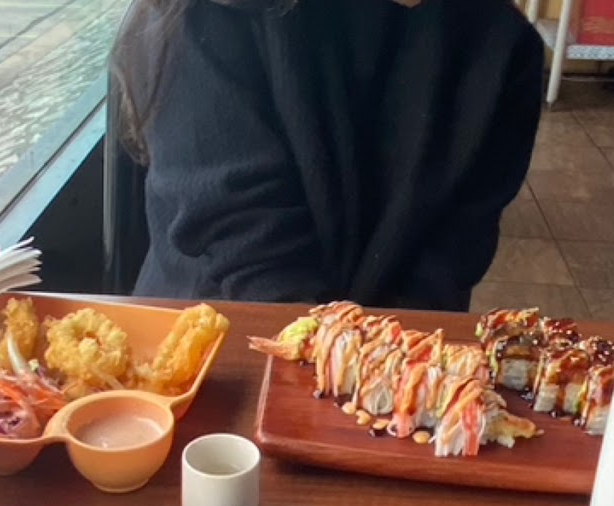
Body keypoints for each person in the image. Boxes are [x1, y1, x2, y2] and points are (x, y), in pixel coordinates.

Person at [111, 0, 544, 311]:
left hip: (394, 352)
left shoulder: (506, 47)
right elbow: (248, 249)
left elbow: (452, 254)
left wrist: (390, 367)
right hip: (218, 337)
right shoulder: (215, 13)